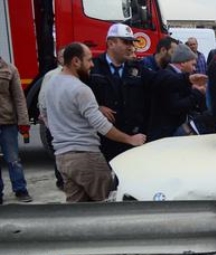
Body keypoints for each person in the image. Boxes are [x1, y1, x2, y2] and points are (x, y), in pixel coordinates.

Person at [44, 42, 146, 202]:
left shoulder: (51, 84)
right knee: (108, 205)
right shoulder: (81, 89)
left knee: (79, 211)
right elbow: (102, 125)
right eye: (89, 60)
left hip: (62, 159)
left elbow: (45, 116)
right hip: (86, 157)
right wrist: (130, 139)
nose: (92, 64)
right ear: (76, 61)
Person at [89, 23, 154, 162]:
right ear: (111, 43)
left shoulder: (138, 68)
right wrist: (96, 107)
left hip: (133, 139)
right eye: (126, 42)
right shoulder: (93, 67)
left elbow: (159, 83)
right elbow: (78, 98)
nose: (130, 46)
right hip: (102, 141)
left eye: (132, 42)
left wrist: (186, 79)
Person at [147, 44, 206, 141]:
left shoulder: (173, 75)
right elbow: (176, 106)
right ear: (183, 63)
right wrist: (197, 93)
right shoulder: (168, 76)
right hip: (165, 134)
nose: (194, 69)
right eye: (193, 64)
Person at [0, 56, 32, 204]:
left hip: (7, 122)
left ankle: (20, 189)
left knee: (13, 160)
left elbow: (19, 98)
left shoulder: (9, 70)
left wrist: (23, 121)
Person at [38, 47, 65, 190]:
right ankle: (61, 180)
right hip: (56, 122)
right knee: (59, 151)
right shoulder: (52, 75)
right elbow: (42, 101)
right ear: (58, 59)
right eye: (62, 56)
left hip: (68, 122)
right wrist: (48, 123)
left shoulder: (77, 74)